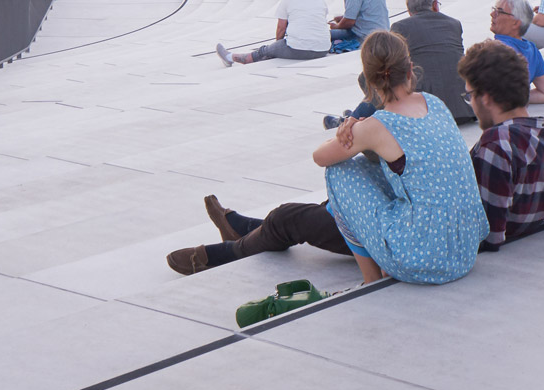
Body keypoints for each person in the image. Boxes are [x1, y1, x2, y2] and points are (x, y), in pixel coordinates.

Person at [169, 32, 484, 285]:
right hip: (462, 247)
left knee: (329, 181)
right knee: (322, 201)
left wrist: (349, 130)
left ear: (370, 80)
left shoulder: (377, 125)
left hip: (423, 256)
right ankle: (245, 229)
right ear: (410, 68)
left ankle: (369, 279)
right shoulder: (434, 103)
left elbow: (321, 157)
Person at [458, 40, 544, 247]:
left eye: (470, 95)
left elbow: (488, 236)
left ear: (485, 97)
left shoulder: (495, 145)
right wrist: (542, 209)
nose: (471, 103)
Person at [334, 0, 470, 126]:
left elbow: (383, 64)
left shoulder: (401, 27)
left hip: (425, 112)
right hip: (463, 108)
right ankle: (354, 117)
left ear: (409, 11)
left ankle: (350, 121)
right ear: (435, 5)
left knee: (375, 76)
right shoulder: (454, 24)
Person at [217, 0, 333, 65]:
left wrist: (278, 46)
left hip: (298, 49)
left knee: (264, 51)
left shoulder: (288, 1)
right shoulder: (320, 0)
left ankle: (231, 57)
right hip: (322, 49)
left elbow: (281, 28)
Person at [488, 0, 544, 107]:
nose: (492, 14)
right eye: (494, 9)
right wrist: (519, 97)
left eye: (499, 12)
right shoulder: (532, 50)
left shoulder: (498, 50)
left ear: (516, 23)